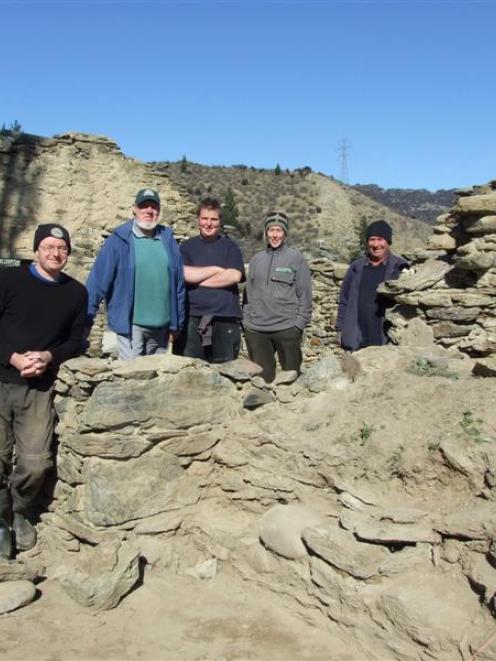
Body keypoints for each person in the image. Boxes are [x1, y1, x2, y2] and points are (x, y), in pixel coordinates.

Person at [0, 224, 87, 558]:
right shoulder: (9, 280)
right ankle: (2, 520)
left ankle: (20, 510)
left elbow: (76, 342)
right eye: (49, 246)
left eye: (62, 248)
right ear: (36, 249)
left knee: (36, 462)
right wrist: (14, 357)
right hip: (2, 376)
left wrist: (49, 357)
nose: (55, 253)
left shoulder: (76, 293)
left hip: (38, 387)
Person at [86, 188, 185, 359]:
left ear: (159, 211)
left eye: (153, 207)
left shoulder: (168, 240)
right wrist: (85, 319)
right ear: (134, 208)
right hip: (131, 326)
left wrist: (177, 324)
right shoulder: (119, 240)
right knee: (130, 378)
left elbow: (178, 284)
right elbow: (97, 281)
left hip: (162, 328)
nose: (149, 211)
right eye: (143, 206)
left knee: (156, 379)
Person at [243, 211, 312, 382]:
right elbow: (248, 294)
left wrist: (298, 326)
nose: (275, 235)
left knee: (292, 379)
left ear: (285, 233)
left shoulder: (296, 259)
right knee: (261, 381)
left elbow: (305, 295)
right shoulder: (256, 260)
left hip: (287, 328)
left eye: (279, 230)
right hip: (257, 330)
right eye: (271, 230)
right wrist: (247, 322)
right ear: (266, 233)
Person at [178, 198, 245, 363]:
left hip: (225, 317)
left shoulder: (231, 247)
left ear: (220, 221)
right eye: (204, 218)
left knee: (226, 372)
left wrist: (196, 278)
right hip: (192, 318)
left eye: (213, 219)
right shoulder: (185, 247)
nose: (208, 223)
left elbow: (234, 276)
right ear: (198, 220)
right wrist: (215, 270)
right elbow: (183, 274)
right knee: (190, 373)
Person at [336, 220, 408, 351]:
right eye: (372, 239)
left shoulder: (399, 267)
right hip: (356, 334)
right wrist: (340, 329)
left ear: (388, 242)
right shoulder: (356, 267)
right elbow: (344, 300)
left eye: (380, 239)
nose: (376, 245)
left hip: (385, 336)